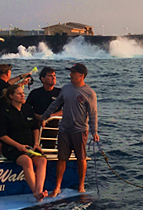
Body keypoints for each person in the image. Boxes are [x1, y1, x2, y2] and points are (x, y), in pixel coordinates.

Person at [41, 63, 99, 197]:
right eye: (70, 72)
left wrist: (94, 132)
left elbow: (93, 114)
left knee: (81, 158)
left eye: (73, 72)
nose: (70, 74)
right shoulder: (66, 88)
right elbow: (56, 104)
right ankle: (57, 187)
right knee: (61, 158)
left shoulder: (89, 93)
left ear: (81, 75)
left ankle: (81, 186)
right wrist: (44, 117)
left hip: (80, 130)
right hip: (64, 130)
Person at [0, 84, 47, 201]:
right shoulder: (5, 112)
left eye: (23, 93)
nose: (23, 95)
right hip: (13, 148)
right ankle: (36, 192)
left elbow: (35, 128)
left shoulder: (28, 109)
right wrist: (19, 146)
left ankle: (39, 190)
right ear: (11, 96)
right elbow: (2, 135)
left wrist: (36, 143)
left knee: (42, 160)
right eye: (19, 93)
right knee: (27, 161)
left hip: (30, 147)